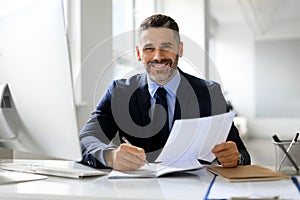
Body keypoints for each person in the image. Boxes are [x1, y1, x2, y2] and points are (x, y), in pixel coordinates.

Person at [80, 14, 251, 171]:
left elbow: (240, 152)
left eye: (166, 47)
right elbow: (86, 138)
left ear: (180, 49)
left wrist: (234, 158)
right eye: (148, 48)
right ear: (139, 53)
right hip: (137, 189)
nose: (157, 56)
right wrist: (110, 156)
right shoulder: (119, 92)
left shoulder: (209, 93)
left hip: (195, 188)